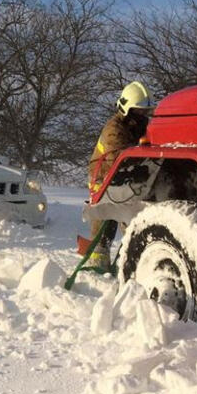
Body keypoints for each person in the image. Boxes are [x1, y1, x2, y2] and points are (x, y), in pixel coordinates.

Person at [81, 82, 155, 268]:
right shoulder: (114, 129)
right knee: (104, 217)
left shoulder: (141, 125)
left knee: (129, 217)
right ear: (127, 109)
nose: (143, 115)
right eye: (138, 111)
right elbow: (118, 157)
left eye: (145, 111)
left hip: (124, 177)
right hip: (102, 176)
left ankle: (131, 256)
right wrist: (141, 165)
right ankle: (97, 261)